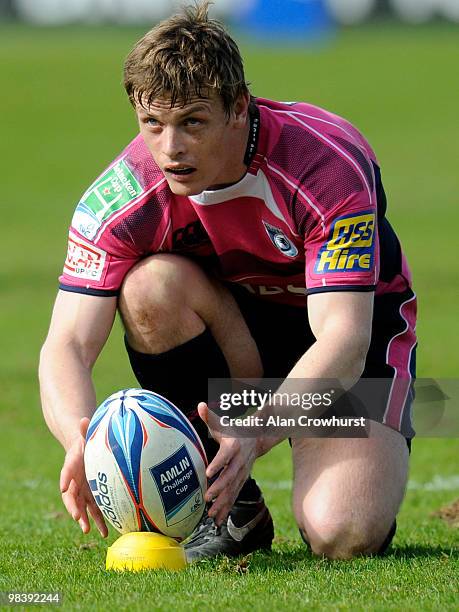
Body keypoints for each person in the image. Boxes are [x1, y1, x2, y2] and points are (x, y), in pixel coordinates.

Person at [39, 1, 417, 561]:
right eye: (153, 123)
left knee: (343, 533)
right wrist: (81, 439)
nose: (171, 148)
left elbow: (344, 339)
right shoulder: (123, 198)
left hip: (345, 358)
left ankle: (385, 423)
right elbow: (65, 344)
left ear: (238, 108)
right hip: (239, 345)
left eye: (193, 121)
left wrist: (260, 429)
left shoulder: (324, 164)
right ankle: (233, 509)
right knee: (151, 286)